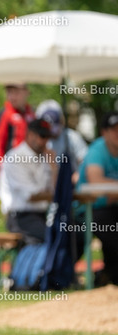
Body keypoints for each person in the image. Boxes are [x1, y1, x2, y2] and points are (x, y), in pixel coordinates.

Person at [0, 118, 58, 245]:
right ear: (30, 135)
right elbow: (32, 196)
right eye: (42, 136)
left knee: (75, 237)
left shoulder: (45, 158)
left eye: (48, 137)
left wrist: (53, 167)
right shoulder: (15, 157)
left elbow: (56, 189)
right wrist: (53, 194)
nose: (45, 142)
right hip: (20, 217)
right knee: (53, 237)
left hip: (42, 215)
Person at [76, 111, 118, 286]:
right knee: (111, 232)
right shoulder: (96, 150)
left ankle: (107, 275)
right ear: (104, 132)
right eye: (114, 129)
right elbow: (95, 182)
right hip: (87, 210)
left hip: (111, 207)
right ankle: (107, 276)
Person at [35, 99, 88, 181]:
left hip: (70, 184)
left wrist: (79, 174)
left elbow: (85, 161)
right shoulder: (36, 141)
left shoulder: (71, 137)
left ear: (61, 121)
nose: (52, 133)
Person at [0, 84, 34, 165]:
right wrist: (3, 167)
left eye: (16, 92)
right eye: (9, 92)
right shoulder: (3, 115)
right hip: (12, 165)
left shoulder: (31, 114)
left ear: (26, 92)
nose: (12, 97)